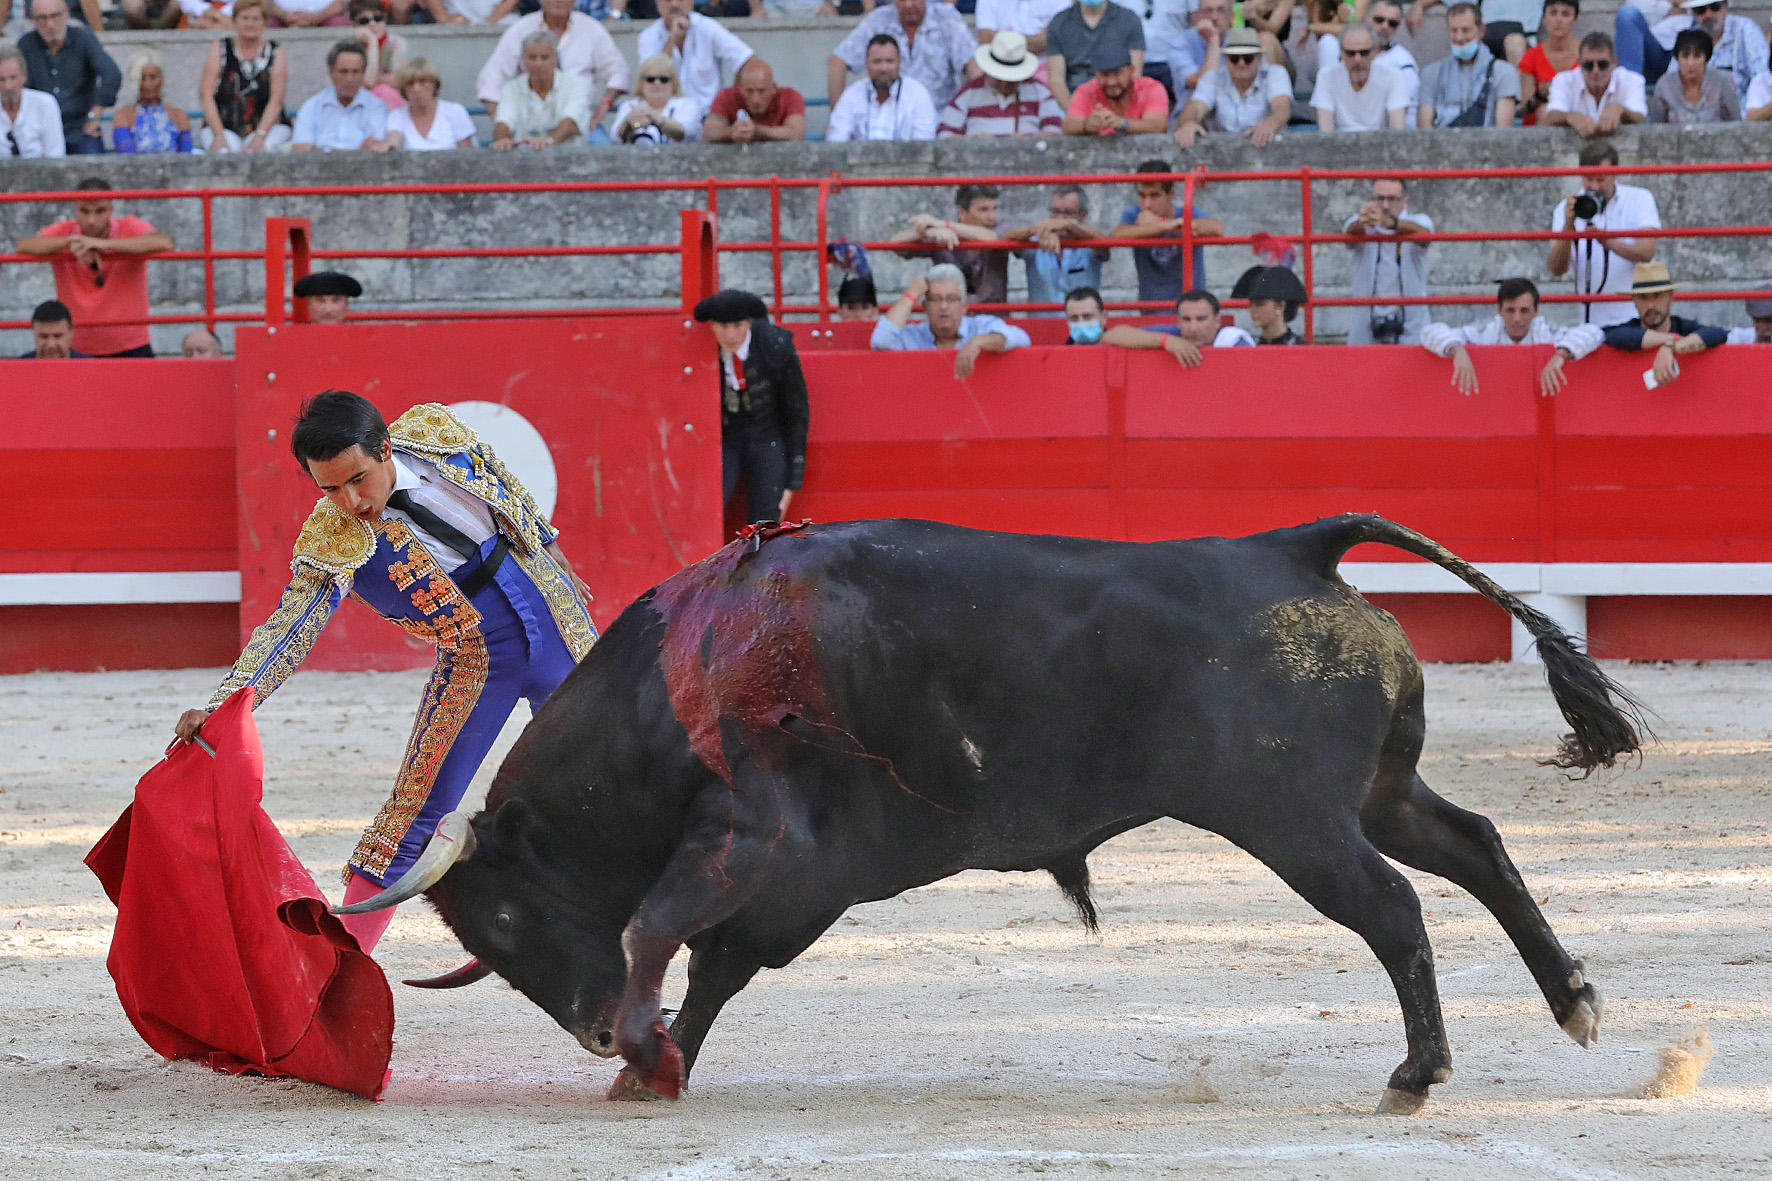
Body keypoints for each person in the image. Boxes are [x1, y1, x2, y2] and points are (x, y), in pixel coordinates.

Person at [171, 393, 599, 955]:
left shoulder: (434, 431)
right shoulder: (331, 538)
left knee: (618, 777)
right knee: (413, 815)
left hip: (557, 619)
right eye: (329, 488)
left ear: (387, 448)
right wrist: (227, 701)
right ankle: (343, 968)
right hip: (476, 660)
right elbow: (288, 628)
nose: (349, 501)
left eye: (357, 480)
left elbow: (501, 482)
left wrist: (547, 547)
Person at [16, 178, 171, 359]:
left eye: (100, 211)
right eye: (84, 211)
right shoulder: (65, 231)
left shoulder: (129, 225)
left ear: (111, 210)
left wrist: (101, 244)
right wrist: (72, 242)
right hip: (79, 348)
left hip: (132, 344)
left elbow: (163, 242)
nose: (91, 220)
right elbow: (24, 245)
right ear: (75, 210)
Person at [694, 289, 810, 526]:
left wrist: (791, 483)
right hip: (725, 438)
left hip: (767, 434)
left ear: (748, 323)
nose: (730, 334)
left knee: (765, 522)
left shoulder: (774, 345)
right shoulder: (702, 349)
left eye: (737, 325)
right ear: (711, 326)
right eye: (721, 326)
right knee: (704, 509)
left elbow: (796, 410)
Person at [1420, 277, 1603, 394]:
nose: (1517, 318)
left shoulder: (1548, 332)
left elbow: (1595, 332)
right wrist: (1457, 350)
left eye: (1524, 311)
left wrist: (1561, 353)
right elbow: (1428, 332)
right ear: (1499, 310)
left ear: (1536, 311)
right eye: (1510, 310)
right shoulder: (1486, 332)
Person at [1547, 140, 1660, 328]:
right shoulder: (1565, 209)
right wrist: (1569, 226)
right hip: (1589, 321)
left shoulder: (1639, 199)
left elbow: (1647, 252)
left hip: (1635, 317)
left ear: (1615, 173)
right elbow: (1556, 269)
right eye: (1587, 179)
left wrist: (1608, 241)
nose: (1593, 186)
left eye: (1600, 179)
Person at [476, 0, 627, 128]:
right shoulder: (520, 29)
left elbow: (619, 73)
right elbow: (489, 80)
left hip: (582, 123)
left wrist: (601, 109)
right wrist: (502, 121)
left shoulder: (591, 29)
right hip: (530, 125)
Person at [871, 266, 1033, 379]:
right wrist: (911, 294)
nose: (943, 306)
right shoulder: (913, 335)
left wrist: (978, 342)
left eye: (951, 299)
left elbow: (1022, 337)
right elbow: (881, 340)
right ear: (925, 307)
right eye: (935, 299)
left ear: (964, 306)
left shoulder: (979, 326)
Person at [830, 0, 979, 112]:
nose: (908, 5)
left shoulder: (947, 17)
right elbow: (837, 61)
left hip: (941, 120)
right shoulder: (879, 19)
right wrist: (839, 115)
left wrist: (973, 115)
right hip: (889, 120)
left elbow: (973, 64)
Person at [1112, 159, 1223, 305]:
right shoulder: (1134, 214)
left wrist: (1160, 222)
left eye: (1155, 195)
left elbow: (1216, 228)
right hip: (1151, 308)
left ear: (1171, 194)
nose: (1147, 204)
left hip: (1191, 309)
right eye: (1142, 195)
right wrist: (1167, 226)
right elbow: (1118, 234)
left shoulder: (1187, 212)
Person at [18, 0, 119, 156]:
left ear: (66, 13)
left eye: (55, 16)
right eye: (42, 18)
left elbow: (111, 74)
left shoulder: (84, 38)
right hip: (39, 130)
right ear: (33, 19)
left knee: (93, 173)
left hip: (80, 128)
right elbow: (20, 88)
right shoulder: (25, 45)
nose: (50, 24)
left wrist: (95, 114)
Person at [1601, 263, 1728, 387]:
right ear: (1634, 301)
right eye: (1643, 298)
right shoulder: (1625, 330)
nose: (1650, 305)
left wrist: (1670, 348)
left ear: (1671, 297)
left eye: (1657, 296)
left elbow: (1717, 334)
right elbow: (1614, 335)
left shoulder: (1683, 326)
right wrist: (1673, 341)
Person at [1344, 177, 1433, 346]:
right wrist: (1365, 220)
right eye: (1379, 199)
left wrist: (1390, 224)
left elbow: (1425, 235)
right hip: (1365, 332)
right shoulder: (1361, 224)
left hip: (1411, 330)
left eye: (1392, 199)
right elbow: (1349, 234)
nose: (1385, 206)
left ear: (1405, 202)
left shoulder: (1418, 221)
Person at [1171, 26, 1291, 148]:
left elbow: (1282, 109)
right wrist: (1189, 122)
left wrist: (1270, 124)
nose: (1241, 63)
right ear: (1226, 59)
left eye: (1248, 58)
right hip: (1219, 152)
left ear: (1259, 58)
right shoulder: (1213, 77)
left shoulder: (1275, 73)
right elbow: (1196, 106)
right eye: (1234, 58)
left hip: (1266, 148)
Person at [198, 0, 292, 153]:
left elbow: (277, 99)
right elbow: (206, 94)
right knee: (224, 152)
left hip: (267, 125)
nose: (250, 23)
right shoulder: (220, 47)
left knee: (260, 151)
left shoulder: (276, 51)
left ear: (264, 23)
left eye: (255, 19)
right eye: (245, 18)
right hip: (224, 124)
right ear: (235, 21)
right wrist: (218, 135)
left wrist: (260, 135)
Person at [892, 184, 1007, 306]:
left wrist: (941, 224)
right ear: (961, 212)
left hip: (993, 317)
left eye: (994, 209)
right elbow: (895, 244)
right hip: (949, 316)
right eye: (983, 210)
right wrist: (927, 231)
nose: (992, 216)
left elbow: (992, 238)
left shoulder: (1001, 227)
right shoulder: (943, 234)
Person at [1005, 184, 1111, 314]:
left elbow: (1105, 243)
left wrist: (1071, 225)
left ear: (1083, 214)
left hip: (1081, 324)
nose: (1060, 219)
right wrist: (1038, 230)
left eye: (1068, 213)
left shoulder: (1090, 244)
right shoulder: (1035, 242)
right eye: (1055, 212)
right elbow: (1004, 240)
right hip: (1042, 324)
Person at [937, 31, 1065, 136]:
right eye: (998, 77)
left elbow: (1055, 130)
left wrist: (1029, 139)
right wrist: (972, 141)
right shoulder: (969, 92)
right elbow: (945, 134)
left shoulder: (1039, 90)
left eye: (1011, 79)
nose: (1004, 83)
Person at [640, 0, 754, 113]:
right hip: (667, 116)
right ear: (658, 4)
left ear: (691, 2)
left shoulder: (707, 27)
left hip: (709, 115)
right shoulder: (648, 37)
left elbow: (747, 60)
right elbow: (651, 77)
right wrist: (672, 38)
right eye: (667, 0)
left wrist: (730, 100)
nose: (674, 4)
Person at [1417, 3, 1521, 127]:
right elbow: (1424, 126)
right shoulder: (1432, 73)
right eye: (1454, 30)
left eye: (1465, 30)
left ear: (1481, 31)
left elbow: (1503, 130)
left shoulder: (1503, 72)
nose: (1459, 37)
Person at [826, 35, 938, 142]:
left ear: (900, 62)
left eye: (889, 61)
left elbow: (925, 144)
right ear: (866, 63)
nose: (883, 68)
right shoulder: (851, 95)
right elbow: (836, 140)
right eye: (877, 61)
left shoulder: (918, 94)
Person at [1103, 288, 1254, 367]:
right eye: (1186, 319)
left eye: (1201, 319)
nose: (1193, 327)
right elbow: (1112, 335)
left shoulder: (1233, 341)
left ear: (1217, 321)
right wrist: (1165, 341)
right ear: (1179, 321)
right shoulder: (1174, 334)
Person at [492, 31, 590, 149]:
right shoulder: (511, 88)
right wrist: (503, 140)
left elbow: (571, 124)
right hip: (524, 161)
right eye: (532, 58)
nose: (538, 64)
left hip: (570, 160)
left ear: (556, 59)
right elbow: (503, 121)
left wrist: (547, 142)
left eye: (545, 58)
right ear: (523, 60)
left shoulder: (577, 85)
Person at [1044, 0, 1146, 111]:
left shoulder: (1129, 19)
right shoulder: (1059, 22)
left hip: (1117, 96)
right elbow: (1056, 79)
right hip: (1073, 99)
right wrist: (1075, 113)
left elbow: (1135, 74)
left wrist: (1116, 115)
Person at [292, 41, 391, 151]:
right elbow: (300, 148)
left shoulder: (377, 107)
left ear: (363, 74)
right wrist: (357, 152)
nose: (349, 78)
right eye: (343, 72)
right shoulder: (312, 107)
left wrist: (323, 151)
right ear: (331, 72)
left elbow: (375, 150)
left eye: (355, 72)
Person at [1542, 31, 1647, 133]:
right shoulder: (1563, 80)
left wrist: (1621, 110)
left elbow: (1640, 117)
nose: (1595, 71)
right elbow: (1552, 115)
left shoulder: (1632, 80)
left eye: (1602, 64)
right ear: (1579, 63)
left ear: (1614, 62)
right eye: (1588, 65)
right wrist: (1570, 117)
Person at [1313, 25, 1411, 130]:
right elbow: (1326, 130)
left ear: (1375, 53)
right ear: (1341, 53)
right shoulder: (1326, 77)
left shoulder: (1393, 77)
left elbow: (1397, 129)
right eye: (1351, 53)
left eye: (1364, 53)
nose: (1357, 59)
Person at [1061, 43, 1169, 134]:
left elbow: (1158, 125)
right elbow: (1067, 126)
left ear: (1131, 71)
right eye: (1104, 75)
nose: (1111, 82)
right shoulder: (1086, 90)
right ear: (1096, 74)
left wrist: (1122, 123)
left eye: (1117, 73)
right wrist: (1087, 124)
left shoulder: (1151, 88)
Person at [703, 58, 806, 143]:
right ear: (740, 88)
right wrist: (732, 132)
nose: (755, 99)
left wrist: (756, 130)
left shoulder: (790, 97)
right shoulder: (726, 96)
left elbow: (796, 134)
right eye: (749, 91)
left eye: (762, 91)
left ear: (774, 88)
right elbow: (709, 132)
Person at [1647, 28, 1740, 121]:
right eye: (1685, 56)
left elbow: (1735, 121)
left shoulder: (1723, 81)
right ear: (1677, 58)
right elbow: (1657, 125)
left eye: (1697, 56)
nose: (1690, 63)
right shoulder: (1665, 85)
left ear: (1706, 58)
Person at [112, 51, 192, 153]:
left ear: (161, 79)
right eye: (142, 78)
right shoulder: (124, 116)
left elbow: (186, 157)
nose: (147, 84)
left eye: (153, 77)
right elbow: (127, 156)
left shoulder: (179, 116)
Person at [385, 60, 474, 149]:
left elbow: (468, 153)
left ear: (434, 86)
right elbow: (393, 142)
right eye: (410, 83)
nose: (416, 89)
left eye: (423, 82)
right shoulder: (397, 115)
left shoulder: (455, 111)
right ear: (404, 90)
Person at [1687, 0, 1768, 97]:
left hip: (1741, 107)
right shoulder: (1691, 36)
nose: (1708, 14)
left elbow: (1763, 77)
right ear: (1694, 14)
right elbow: (1673, 79)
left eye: (1715, 7)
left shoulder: (1746, 30)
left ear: (1726, 7)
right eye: (1700, 10)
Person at [614, 53, 703, 143]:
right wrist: (629, 123)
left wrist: (654, 117)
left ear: (674, 83)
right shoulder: (629, 106)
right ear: (641, 83)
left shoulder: (688, 105)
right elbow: (615, 137)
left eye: (664, 79)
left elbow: (687, 131)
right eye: (650, 79)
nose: (657, 83)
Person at [1517, 0, 1580, 124]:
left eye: (1566, 14)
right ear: (1544, 18)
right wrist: (1540, 95)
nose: (1559, 20)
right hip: (1541, 122)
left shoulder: (1587, 52)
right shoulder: (1531, 56)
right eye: (1553, 13)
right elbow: (1526, 108)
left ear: (1575, 20)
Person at [0, 44, 65, 159]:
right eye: (2, 79)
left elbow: (55, 154)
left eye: (13, 78)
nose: (8, 86)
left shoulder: (45, 103)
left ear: (24, 76)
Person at [1368, 0, 1422, 124]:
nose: (1385, 26)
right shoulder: (1354, 54)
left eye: (1392, 23)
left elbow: (1397, 112)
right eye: (1379, 20)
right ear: (1367, 19)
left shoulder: (1404, 63)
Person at [347, 0, 407, 110]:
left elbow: (397, 80)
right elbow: (360, 82)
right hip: (359, 101)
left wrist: (369, 79)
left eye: (378, 18)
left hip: (389, 101)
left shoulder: (396, 42)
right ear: (354, 25)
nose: (373, 24)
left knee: (386, 92)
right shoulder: (351, 46)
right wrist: (373, 42)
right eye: (364, 21)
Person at [1232, 265, 1308, 344]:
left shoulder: (1299, 347)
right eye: (1251, 304)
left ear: (1280, 306)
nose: (1252, 309)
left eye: (1260, 304)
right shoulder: (1251, 346)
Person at [16, 301, 88, 359]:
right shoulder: (17, 369)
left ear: (71, 333)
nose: (51, 344)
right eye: (44, 336)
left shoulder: (90, 368)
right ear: (34, 334)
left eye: (57, 336)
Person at [293, 270, 362, 323]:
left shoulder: (361, 338)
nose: (328, 309)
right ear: (309, 304)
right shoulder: (294, 339)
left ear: (346, 304)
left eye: (336, 301)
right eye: (320, 301)